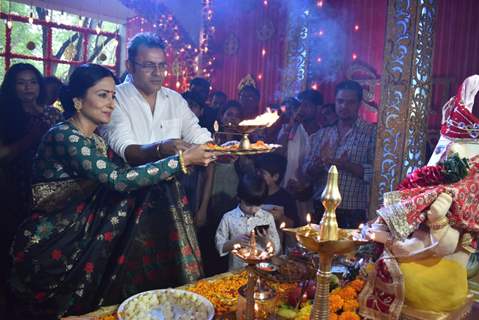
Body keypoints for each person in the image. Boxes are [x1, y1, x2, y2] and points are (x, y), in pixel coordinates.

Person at [8, 64, 214, 319]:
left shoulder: (96, 140)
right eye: (102, 95)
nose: (111, 104)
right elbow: (117, 179)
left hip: (83, 238)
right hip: (53, 243)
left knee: (159, 190)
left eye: (113, 95)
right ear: (78, 101)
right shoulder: (65, 136)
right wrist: (181, 161)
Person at [101, 32, 212, 167]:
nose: (157, 73)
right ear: (129, 66)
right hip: (128, 184)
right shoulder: (114, 97)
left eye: (162, 66)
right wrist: (161, 149)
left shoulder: (175, 99)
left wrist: (226, 150)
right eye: (149, 65)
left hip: (170, 186)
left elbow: (198, 136)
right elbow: (126, 150)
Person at [0, 63, 62, 302]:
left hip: (48, 186)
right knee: (12, 238)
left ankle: (37, 287)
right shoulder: (5, 113)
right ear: (12, 87)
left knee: (41, 239)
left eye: (33, 82)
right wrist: (29, 139)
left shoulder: (51, 113)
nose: (28, 87)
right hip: (13, 186)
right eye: (21, 82)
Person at [302, 80, 376, 228]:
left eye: (350, 102)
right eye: (340, 101)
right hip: (321, 206)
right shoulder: (323, 133)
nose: (344, 106)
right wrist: (315, 167)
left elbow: (376, 173)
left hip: (352, 209)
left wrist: (347, 166)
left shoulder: (371, 133)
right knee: (318, 250)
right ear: (335, 102)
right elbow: (306, 171)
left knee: (348, 251)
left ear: (359, 104)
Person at [215, 173, 281, 271]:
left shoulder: (267, 217)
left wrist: (266, 240)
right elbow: (220, 246)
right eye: (249, 205)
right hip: (238, 271)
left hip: (262, 270)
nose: (253, 209)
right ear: (239, 198)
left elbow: (276, 249)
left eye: (258, 205)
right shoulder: (229, 218)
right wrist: (234, 242)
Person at [255, 153, 299, 228]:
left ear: (275, 177)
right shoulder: (252, 192)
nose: (258, 175)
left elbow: (295, 226)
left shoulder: (286, 198)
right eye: (257, 171)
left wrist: (280, 217)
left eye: (262, 173)